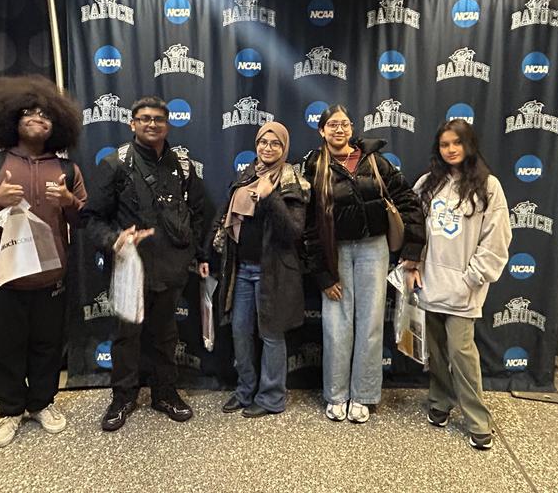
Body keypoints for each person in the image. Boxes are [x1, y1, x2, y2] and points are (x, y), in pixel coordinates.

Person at [0, 75, 87, 448]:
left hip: (51, 278)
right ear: (11, 117)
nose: (38, 118)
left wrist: (69, 203)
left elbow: (86, 221)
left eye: (46, 115)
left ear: (57, 125)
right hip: (0, 278)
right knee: (4, 347)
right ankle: (10, 410)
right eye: (29, 112)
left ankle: (41, 403)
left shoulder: (68, 171)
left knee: (48, 345)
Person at [83, 96, 209, 431]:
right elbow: (92, 217)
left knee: (166, 335)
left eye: (158, 119)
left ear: (167, 124)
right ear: (132, 123)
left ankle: (164, 394)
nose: (151, 124)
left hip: (171, 268)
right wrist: (114, 239)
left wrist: (194, 253)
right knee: (127, 337)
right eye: (144, 118)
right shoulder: (115, 164)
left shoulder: (183, 166)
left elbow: (199, 212)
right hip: (130, 269)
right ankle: (123, 398)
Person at [302, 104, 424, 423]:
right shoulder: (314, 165)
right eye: (332, 124)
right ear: (322, 131)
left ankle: (364, 395)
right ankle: (336, 394)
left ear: (352, 128)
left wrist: (413, 248)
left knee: (370, 323)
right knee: (336, 323)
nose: (339, 129)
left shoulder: (374, 160)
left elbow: (407, 200)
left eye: (344, 123)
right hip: (335, 251)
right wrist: (323, 274)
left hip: (374, 247)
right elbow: (309, 224)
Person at [413, 119, 512, 451]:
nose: (451, 149)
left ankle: (477, 420)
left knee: (462, 353)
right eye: (444, 144)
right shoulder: (427, 184)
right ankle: (440, 402)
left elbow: (496, 239)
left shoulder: (488, 186)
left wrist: (472, 277)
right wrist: (412, 266)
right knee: (436, 351)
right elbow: (414, 229)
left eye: (457, 143)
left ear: (469, 145)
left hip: (464, 288)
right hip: (430, 283)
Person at [213, 122, 310, 418]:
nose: (268, 148)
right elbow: (226, 216)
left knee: (271, 335)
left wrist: (270, 197)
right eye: (263, 142)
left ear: (284, 147)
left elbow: (293, 231)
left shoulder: (292, 182)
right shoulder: (246, 175)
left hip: (274, 272)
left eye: (275, 143)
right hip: (241, 271)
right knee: (240, 332)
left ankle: (271, 398)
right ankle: (245, 391)